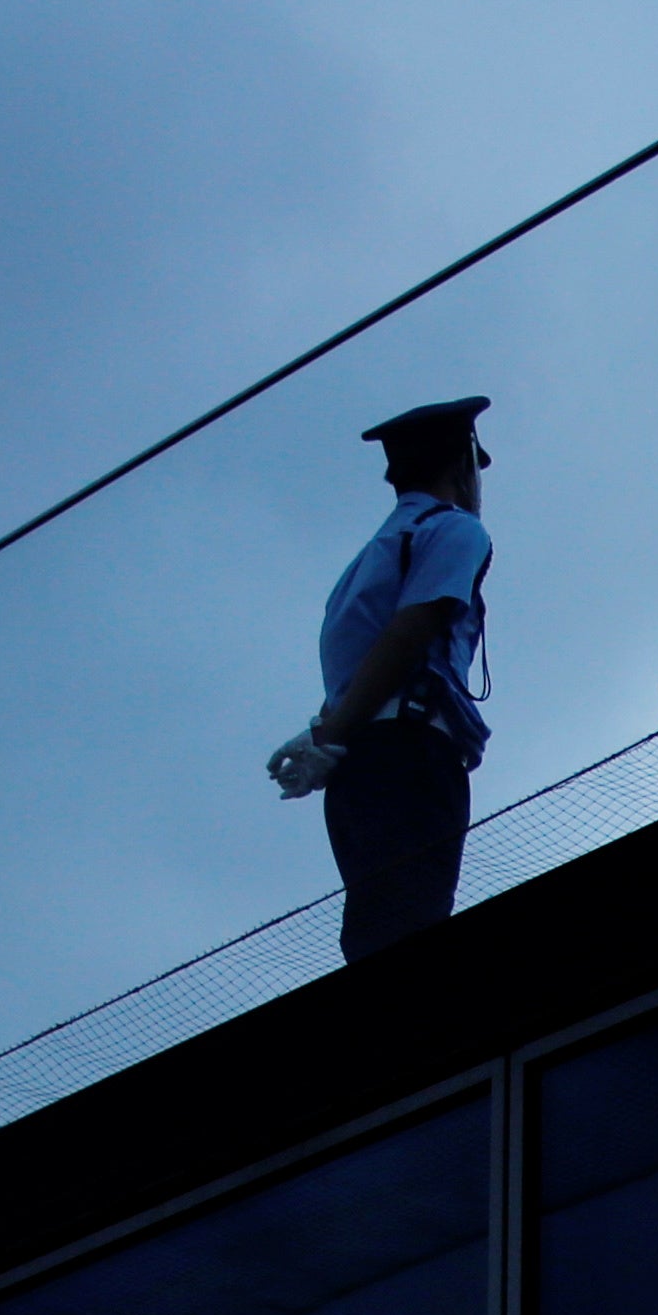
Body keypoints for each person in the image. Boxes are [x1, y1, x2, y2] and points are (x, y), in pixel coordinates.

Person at [272, 396, 493, 957]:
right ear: (461, 464)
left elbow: (353, 657)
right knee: (409, 927)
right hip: (409, 756)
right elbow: (410, 631)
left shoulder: (375, 552)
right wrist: (335, 734)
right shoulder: (454, 531)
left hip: (358, 769)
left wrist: (329, 733)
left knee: (376, 924)